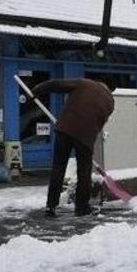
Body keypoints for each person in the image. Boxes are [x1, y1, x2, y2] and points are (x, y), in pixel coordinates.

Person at [32, 79, 114, 217]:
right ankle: (81, 207)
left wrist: (39, 89)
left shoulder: (84, 83)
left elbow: (58, 84)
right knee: (84, 172)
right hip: (86, 137)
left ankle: (51, 206)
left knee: (58, 167)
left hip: (65, 129)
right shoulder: (110, 103)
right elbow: (99, 123)